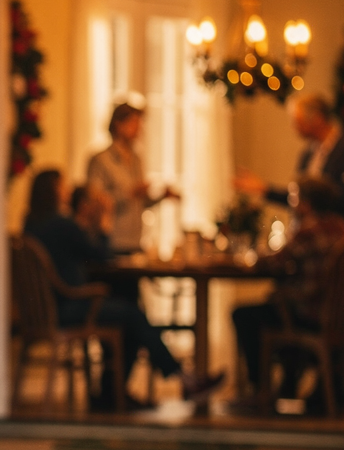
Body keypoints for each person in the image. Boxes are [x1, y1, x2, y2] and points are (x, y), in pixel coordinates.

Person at [22, 171, 221, 405]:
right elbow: (100, 256)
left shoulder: (31, 224)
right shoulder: (62, 224)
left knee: (126, 308)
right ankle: (181, 380)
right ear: (53, 191)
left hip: (46, 309)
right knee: (132, 315)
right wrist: (105, 221)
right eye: (62, 186)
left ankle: (112, 393)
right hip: (68, 307)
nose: (67, 190)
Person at [231, 176, 344, 402]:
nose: (292, 203)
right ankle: (288, 385)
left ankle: (260, 390)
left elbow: (274, 262)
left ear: (306, 203)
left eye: (294, 198)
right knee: (273, 305)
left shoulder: (308, 232)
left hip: (311, 315)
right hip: (341, 317)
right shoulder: (343, 228)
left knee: (245, 315)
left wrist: (250, 258)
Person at [84, 102, 173, 253]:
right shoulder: (100, 160)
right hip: (111, 242)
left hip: (135, 242)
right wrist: (129, 193)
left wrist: (161, 196)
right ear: (118, 125)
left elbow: (140, 203)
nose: (139, 128)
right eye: (134, 123)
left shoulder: (136, 159)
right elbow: (96, 202)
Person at [237, 91, 344, 207]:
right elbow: (296, 198)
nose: (295, 129)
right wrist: (264, 189)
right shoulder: (308, 154)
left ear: (317, 119)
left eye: (298, 122)